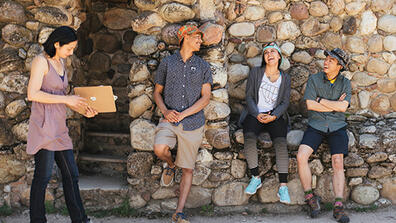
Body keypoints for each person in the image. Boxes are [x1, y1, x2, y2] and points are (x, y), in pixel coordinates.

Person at [27, 26, 97, 223]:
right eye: (69, 48)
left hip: (59, 128)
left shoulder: (61, 62)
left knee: (71, 176)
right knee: (43, 178)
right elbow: (32, 94)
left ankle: (80, 220)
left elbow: (61, 97)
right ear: (57, 44)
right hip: (43, 127)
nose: (71, 52)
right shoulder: (41, 62)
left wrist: (84, 109)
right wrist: (67, 100)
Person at [153, 24, 212, 223]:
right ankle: (170, 164)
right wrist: (166, 111)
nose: (200, 41)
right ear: (185, 37)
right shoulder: (167, 63)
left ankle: (179, 212)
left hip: (193, 122)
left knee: (188, 168)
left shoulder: (203, 66)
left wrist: (184, 114)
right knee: (160, 148)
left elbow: (206, 98)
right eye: (197, 37)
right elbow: (157, 93)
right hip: (169, 119)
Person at [297, 48, 351, 223]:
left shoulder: (345, 83)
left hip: (337, 126)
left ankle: (338, 206)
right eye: (326, 59)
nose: (326, 62)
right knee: (301, 156)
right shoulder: (314, 79)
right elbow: (310, 105)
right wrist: (333, 104)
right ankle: (310, 197)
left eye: (331, 61)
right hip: (316, 125)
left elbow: (343, 108)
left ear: (340, 66)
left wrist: (321, 100)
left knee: (338, 161)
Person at [239, 42, 291, 203]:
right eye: (266, 52)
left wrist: (274, 116)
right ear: (264, 57)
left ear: (279, 57)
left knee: (281, 143)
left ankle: (283, 187)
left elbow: (285, 102)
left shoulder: (285, 77)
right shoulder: (255, 72)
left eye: (273, 52)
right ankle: (255, 177)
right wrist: (257, 113)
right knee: (248, 137)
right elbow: (249, 97)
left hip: (275, 116)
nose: (269, 54)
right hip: (256, 113)